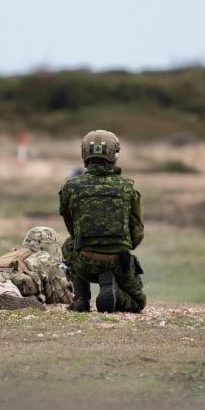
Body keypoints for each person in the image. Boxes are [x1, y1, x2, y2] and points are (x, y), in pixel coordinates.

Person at [58, 129, 146, 313]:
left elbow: (72, 228)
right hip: (118, 262)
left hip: (84, 261)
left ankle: (81, 298)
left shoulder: (71, 187)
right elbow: (136, 233)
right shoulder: (128, 188)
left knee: (69, 245)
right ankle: (116, 293)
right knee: (138, 303)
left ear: (84, 154)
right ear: (114, 155)